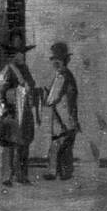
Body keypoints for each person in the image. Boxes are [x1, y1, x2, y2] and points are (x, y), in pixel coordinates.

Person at [0, 35, 39, 186]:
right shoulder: (8, 70)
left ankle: (22, 176)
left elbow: (29, 89)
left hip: (25, 114)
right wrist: (3, 110)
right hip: (11, 114)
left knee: (23, 145)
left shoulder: (25, 69)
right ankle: (6, 177)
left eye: (22, 52)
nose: (21, 55)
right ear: (13, 55)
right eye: (18, 53)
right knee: (9, 146)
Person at [43, 41, 80, 181]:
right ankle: (65, 172)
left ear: (63, 61)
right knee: (66, 146)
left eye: (57, 59)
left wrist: (46, 96)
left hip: (62, 117)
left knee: (57, 144)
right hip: (69, 117)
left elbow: (51, 99)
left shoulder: (61, 76)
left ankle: (54, 172)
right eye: (54, 59)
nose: (55, 62)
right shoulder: (68, 75)